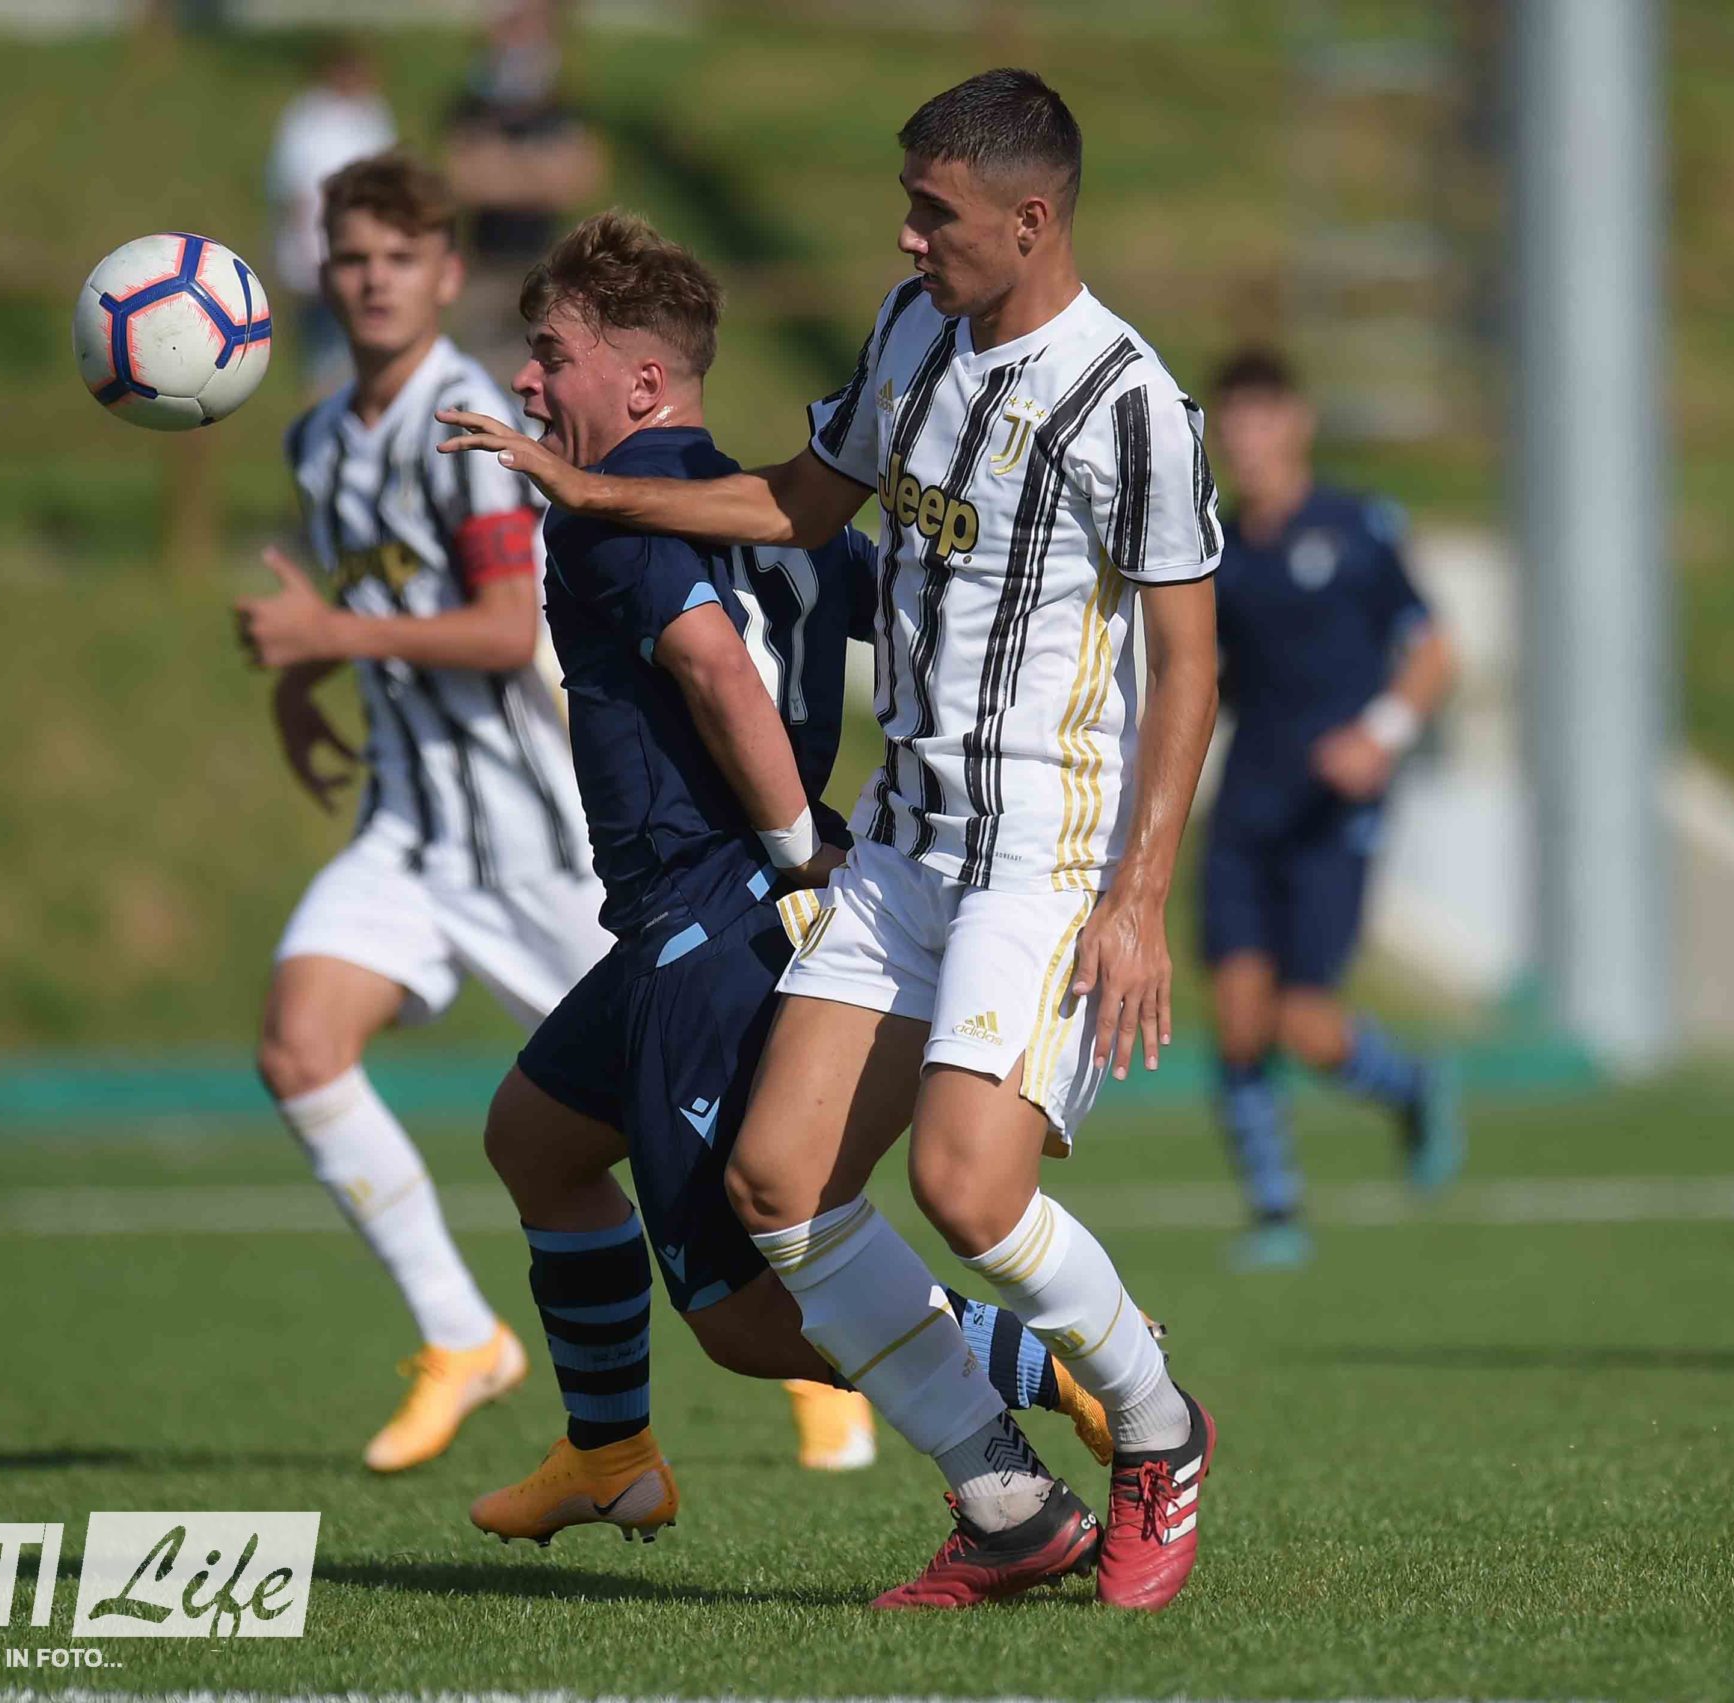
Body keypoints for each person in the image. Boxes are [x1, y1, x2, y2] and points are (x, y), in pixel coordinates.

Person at [442, 70, 1221, 1610]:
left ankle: (1157, 1424)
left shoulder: (1130, 401)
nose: (909, 234)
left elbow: (1189, 663)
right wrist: (591, 488)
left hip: (1040, 858)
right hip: (900, 848)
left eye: (935, 211)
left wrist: (1139, 897)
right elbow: (801, 503)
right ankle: (1005, 1499)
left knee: (969, 1191)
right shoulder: (910, 330)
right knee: (778, 1186)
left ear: (1031, 219)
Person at [240, 151, 600, 1472]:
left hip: (534, 838)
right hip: (406, 827)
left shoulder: (469, 427)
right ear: (323, 272)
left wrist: (329, 635)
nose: (374, 280)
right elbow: (359, 603)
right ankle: (460, 1334)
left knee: (698, 1131)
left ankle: (819, 1355)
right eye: (353, 258)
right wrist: (304, 682)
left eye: (401, 258)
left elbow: (506, 628)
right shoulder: (318, 438)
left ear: (447, 275)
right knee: (300, 1042)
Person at [1199, 349, 1462, 1271]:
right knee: (1238, 1014)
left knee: (1302, 1023)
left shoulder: (1355, 529)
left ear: (1298, 422)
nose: (1248, 438)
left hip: (1333, 813)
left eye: (1263, 416)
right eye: (1233, 420)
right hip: (1247, 805)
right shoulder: (1216, 547)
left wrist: (1379, 735)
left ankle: (1411, 1086)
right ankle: (1276, 1212)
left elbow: (1433, 651)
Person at [441, 0, 606, 380]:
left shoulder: (561, 110)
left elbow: (577, 182)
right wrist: (537, 170)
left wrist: (501, 166)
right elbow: (464, 180)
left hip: (545, 266)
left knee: (543, 378)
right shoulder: (471, 109)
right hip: (486, 266)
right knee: (478, 379)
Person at [263, 37, 397, 390]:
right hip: (313, 261)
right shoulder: (307, 118)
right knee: (323, 360)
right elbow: (294, 189)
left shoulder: (372, 114)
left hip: (363, 257)